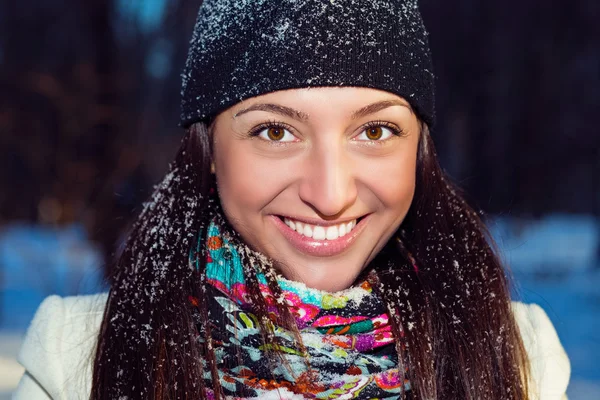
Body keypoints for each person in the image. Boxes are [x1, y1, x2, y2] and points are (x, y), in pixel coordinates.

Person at [14, 1, 571, 399]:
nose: (331, 195)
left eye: (374, 132)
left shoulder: (516, 363)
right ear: (207, 152)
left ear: (420, 150)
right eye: (276, 132)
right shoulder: (79, 362)